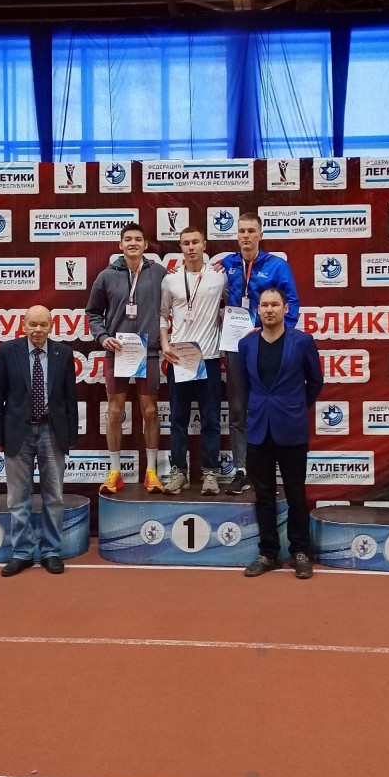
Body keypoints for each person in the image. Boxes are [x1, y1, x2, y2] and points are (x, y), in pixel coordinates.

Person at [238, 287, 323, 579]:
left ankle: (300, 552)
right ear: (258, 310)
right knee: (263, 496)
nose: (269, 310)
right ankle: (268, 553)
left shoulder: (302, 342)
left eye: (275, 304)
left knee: (296, 494)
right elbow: (245, 386)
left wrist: (295, 406)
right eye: (264, 305)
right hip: (259, 430)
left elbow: (315, 382)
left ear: (286, 309)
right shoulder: (246, 345)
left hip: (291, 429)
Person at [0, 304, 78, 577]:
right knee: (18, 498)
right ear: (23, 325)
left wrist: (70, 437)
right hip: (18, 433)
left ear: (51, 326)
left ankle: (51, 551)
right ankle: (22, 553)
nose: (38, 330)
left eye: (43, 324)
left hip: (53, 432)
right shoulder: (7, 351)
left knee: (55, 497)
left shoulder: (64, 353)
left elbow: (70, 399)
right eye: (33, 324)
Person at [220, 211, 300, 494]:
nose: (246, 236)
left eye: (251, 231)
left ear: (260, 234)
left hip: (265, 345)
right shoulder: (227, 264)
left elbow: (292, 303)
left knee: (268, 407)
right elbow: (201, 282)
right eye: (242, 231)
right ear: (237, 235)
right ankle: (242, 471)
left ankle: (268, 472)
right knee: (238, 410)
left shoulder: (277, 266)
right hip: (235, 345)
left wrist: (274, 335)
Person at [87, 223, 167, 494]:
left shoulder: (159, 273)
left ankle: (151, 472)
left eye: (138, 239)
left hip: (148, 351)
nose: (133, 243)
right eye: (128, 239)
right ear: (120, 245)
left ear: (146, 245)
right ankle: (115, 473)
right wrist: (102, 337)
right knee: (115, 411)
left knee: (150, 411)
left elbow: (173, 303)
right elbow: (93, 312)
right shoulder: (106, 276)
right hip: (118, 351)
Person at [160, 225, 227, 496]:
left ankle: (210, 473)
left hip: (209, 359)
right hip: (179, 358)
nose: (191, 247)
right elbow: (162, 314)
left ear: (204, 245)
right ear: (180, 247)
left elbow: (233, 307)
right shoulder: (171, 280)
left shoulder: (219, 277)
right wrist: (164, 344)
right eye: (186, 243)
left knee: (211, 419)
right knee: (178, 419)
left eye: (195, 242)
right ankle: (179, 473)